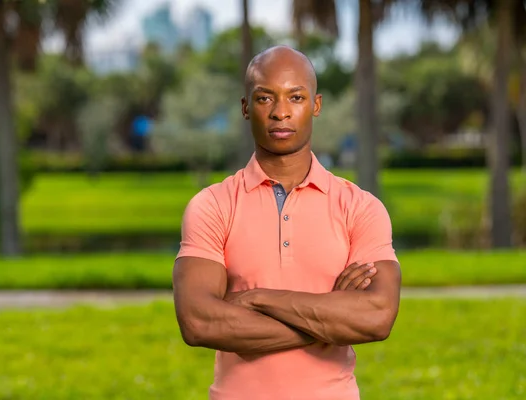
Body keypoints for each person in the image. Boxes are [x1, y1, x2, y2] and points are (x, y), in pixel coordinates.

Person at [172, 45, 401, 400]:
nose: (281, 113)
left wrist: (256, 298)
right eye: (265, 99)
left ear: (316, 105)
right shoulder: (212, 205)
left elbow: (378, 316)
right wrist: (330, 317)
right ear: (246, 108)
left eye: (295, 97)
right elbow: (199, 321)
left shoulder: (360, 207)